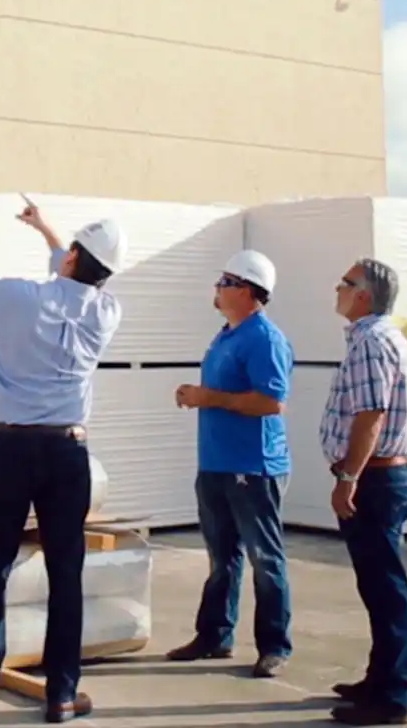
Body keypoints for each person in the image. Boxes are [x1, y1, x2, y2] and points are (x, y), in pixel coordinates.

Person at [0, 201, 127, 724]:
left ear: (71, 262)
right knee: (67, 572)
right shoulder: (106, 313)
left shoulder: (18, 298)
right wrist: (45, 228)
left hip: (12, 448)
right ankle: (62, 693)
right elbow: (76, 273)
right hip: (69, 453)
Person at [166, 249, 295, 678]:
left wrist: (210, 398)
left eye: (225, 282)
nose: (217, 289)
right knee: (222, 557)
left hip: (252, 468)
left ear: (247, 291)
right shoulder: (226, 335)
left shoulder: (264, 338)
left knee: (264, 559)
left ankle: (274, 645)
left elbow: (272, 402)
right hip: (217, 464)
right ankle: (214, 635)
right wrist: (197, 396)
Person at [319, 257, 407, 727]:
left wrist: (347, 478)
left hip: (375, 479)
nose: (336, 290)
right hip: (379, 477)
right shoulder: (379, 338)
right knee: (378, 588)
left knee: (385, 589)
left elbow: (370, 416)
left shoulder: (371, 343)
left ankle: (391, 696)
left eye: (344, 284)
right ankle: (379, 680)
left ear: (363, 296)